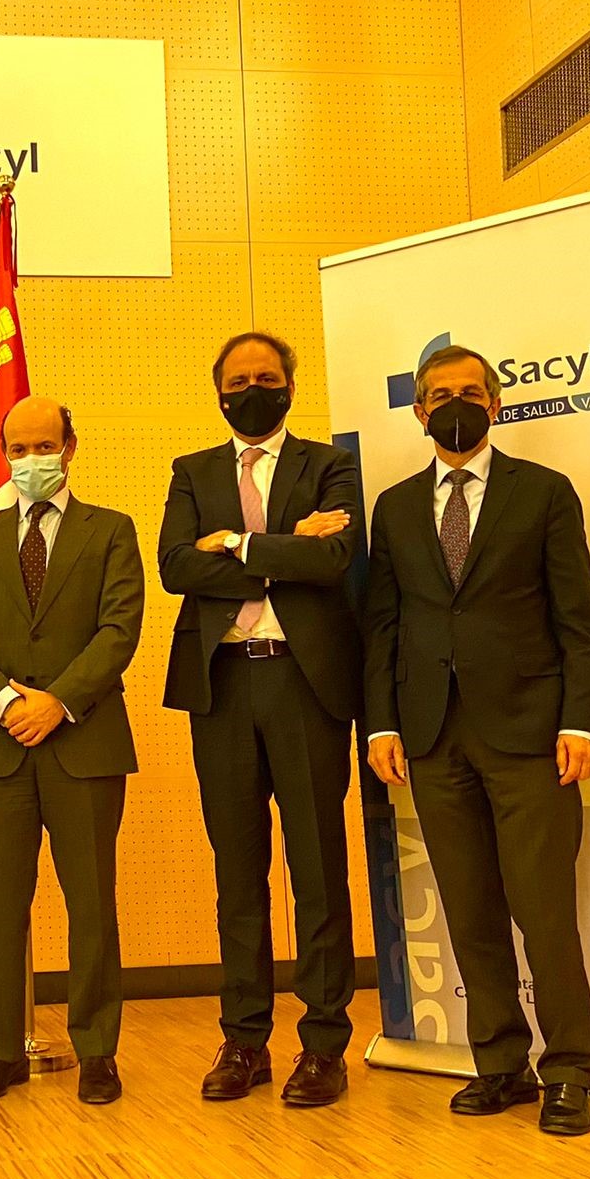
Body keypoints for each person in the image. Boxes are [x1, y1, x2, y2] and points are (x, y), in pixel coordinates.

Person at [364, 344, 590, 1138]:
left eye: (471, 392)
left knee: (544, 912)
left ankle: (568, 1071)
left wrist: (582, 720)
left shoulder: (544, 492)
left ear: (496, 405)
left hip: (532, 734)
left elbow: (579, 618)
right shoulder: (394, 507)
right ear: (419, 411)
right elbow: (384, 625)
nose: (456, 406)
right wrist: (382, 723)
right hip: (432, 737)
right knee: (469, 912)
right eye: (441, 395)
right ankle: (499, 1064)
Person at [159, 332, 362, 1107]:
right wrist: (283, 546)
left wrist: (237, 545)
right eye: (239, 380)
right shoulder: (193, 471)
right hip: (222, 687)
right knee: (237, 874)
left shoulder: (329, 466)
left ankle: (323, 1045)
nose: (253, 389)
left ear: (290, 387)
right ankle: (244, 1040)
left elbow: (332, 560)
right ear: (219, 392)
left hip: (305, 684)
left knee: (317, 869)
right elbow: (176, 566)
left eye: (267, 378)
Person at [0, 397, 145, 1107]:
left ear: (70, 446)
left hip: (84, 742)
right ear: (5, 455)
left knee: (91, 902)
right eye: (19, 449)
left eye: (45, 446)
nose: (32, 459)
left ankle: (97, 1050)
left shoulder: (111, 530)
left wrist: (56, 701)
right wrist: (6, 701)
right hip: (0, 747)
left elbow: (119, 630)